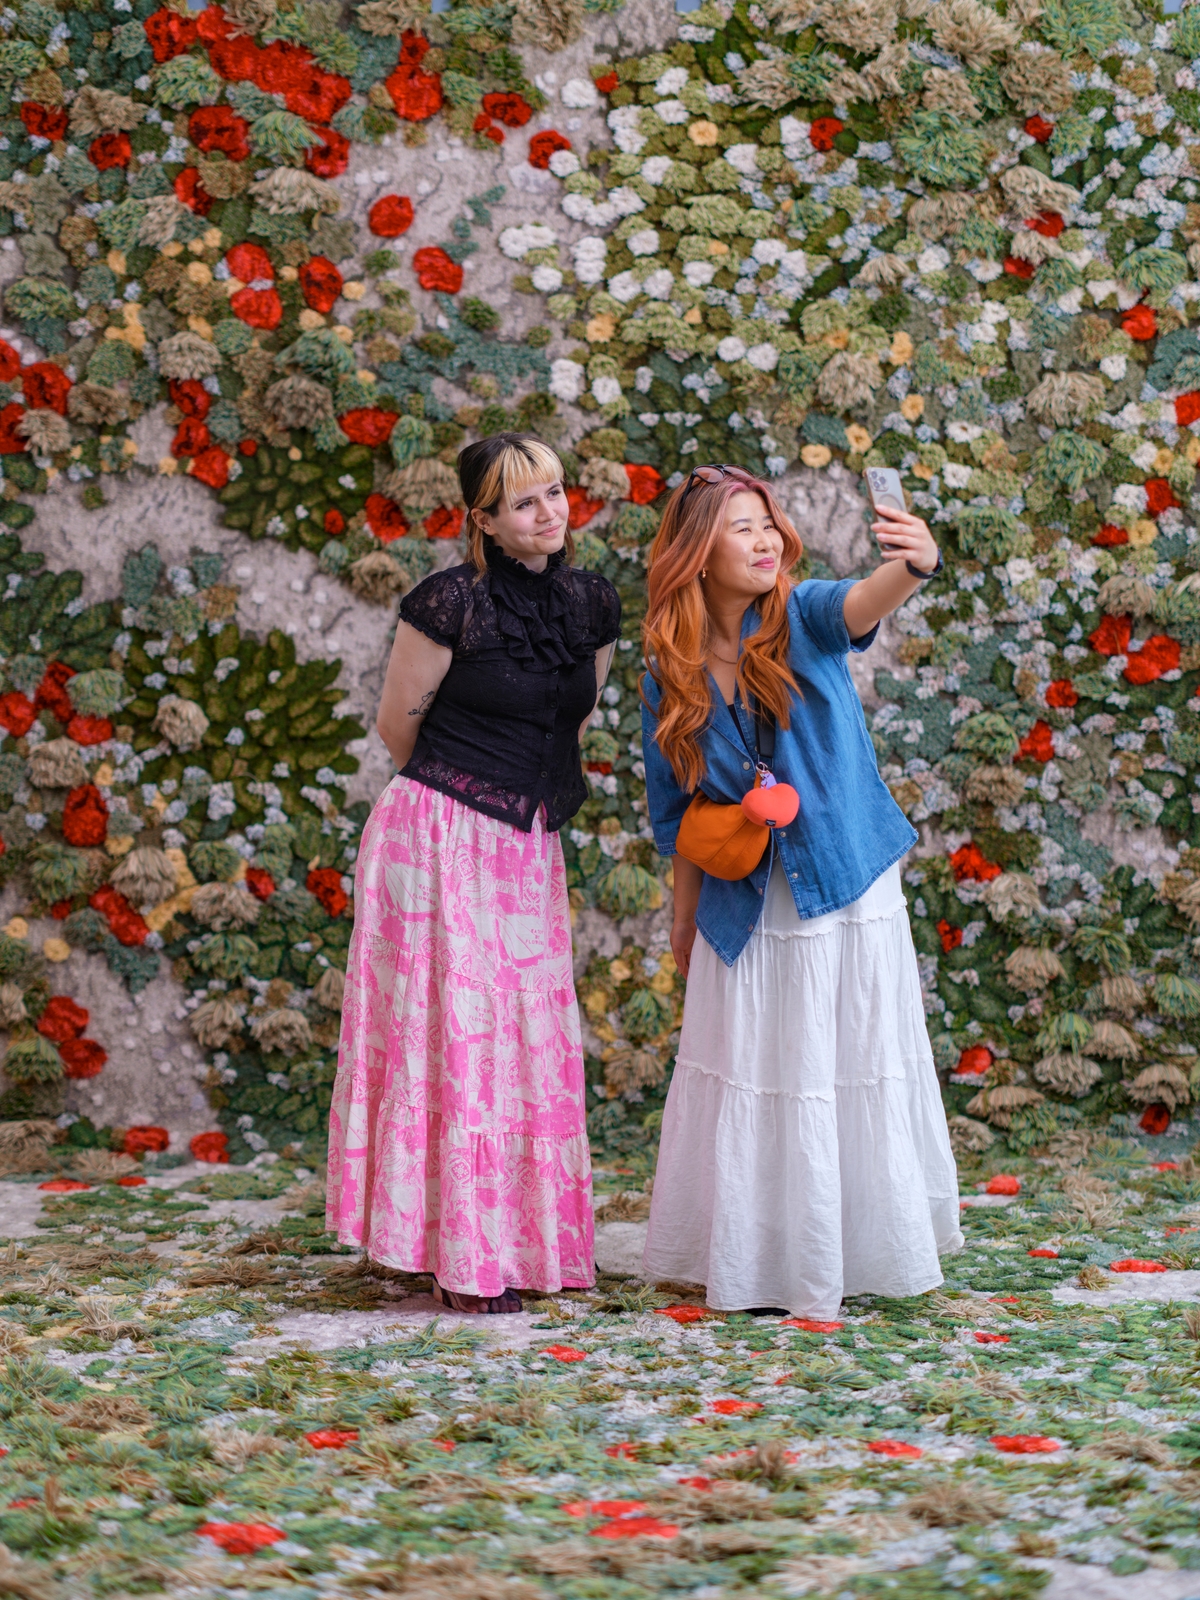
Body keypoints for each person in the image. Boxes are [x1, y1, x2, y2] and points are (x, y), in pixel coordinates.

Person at [639, 463, 962, 1318]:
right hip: (744, 902)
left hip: (844, 889)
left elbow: (865, 601)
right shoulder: (666, 673)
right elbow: (679, 817)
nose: (765, 540)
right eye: (740, 527)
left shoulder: (805, 614)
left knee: (842, 1064)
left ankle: (853, 1245)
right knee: (762, 1067)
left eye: (767, 524)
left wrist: (915, 564)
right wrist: (682, 922)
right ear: (695, 554)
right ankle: (765, 1249)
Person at [326, 433, 621, 1314]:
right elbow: (397, 726)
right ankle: (449, 1255)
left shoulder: (591, 604)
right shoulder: (449, 601)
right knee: (449, 1038)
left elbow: (575, 716)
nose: (550, 511)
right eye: (524, 501)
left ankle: (507, 1246)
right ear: (483, 520)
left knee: (520, 1044)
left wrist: (516, 804)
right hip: (437, 835)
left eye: (557, 492)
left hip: (525, 843)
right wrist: (464, 797)